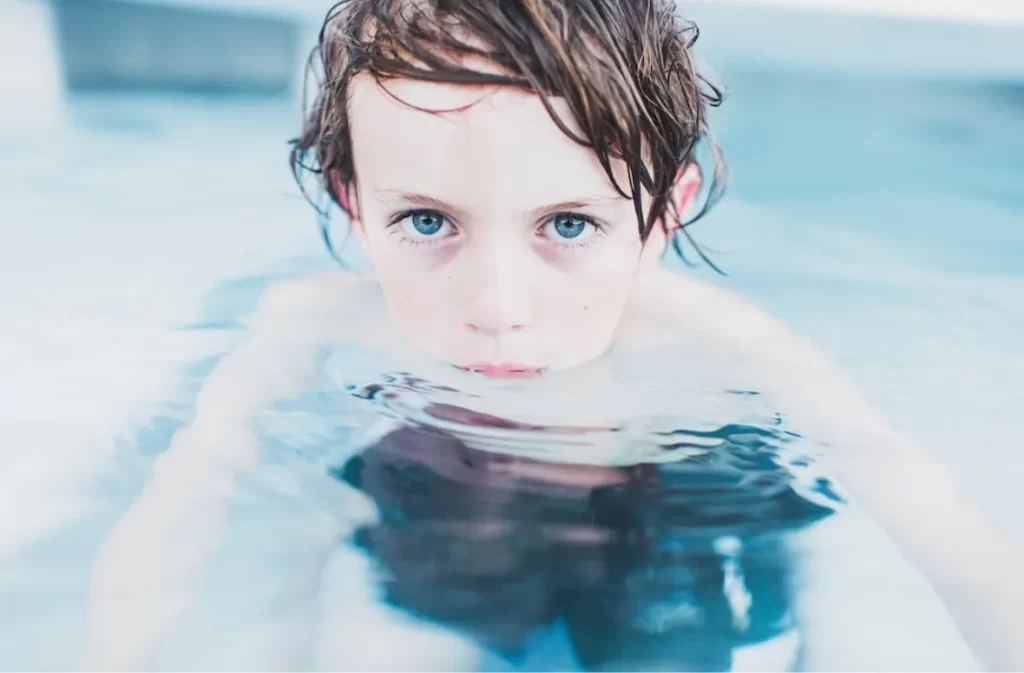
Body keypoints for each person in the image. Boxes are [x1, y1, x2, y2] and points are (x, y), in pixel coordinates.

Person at [86, 0, 1024, 670]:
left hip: (679, 511)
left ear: (664, 216)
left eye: (568, 225)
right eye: (426, 221)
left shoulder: (722, 345)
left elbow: (923, 509)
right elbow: (190, 499)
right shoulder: (308, 319)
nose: (498, 306)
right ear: (354, 205)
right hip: (453, 511)